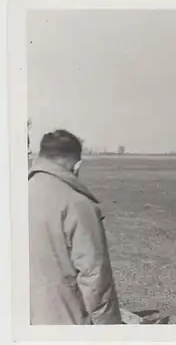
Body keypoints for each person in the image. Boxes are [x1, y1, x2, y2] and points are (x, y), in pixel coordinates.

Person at [29, 129, 121, 325]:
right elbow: (94, 278)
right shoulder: (77, 204)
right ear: (77, 165)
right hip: (66, 322)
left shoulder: (15, 194)